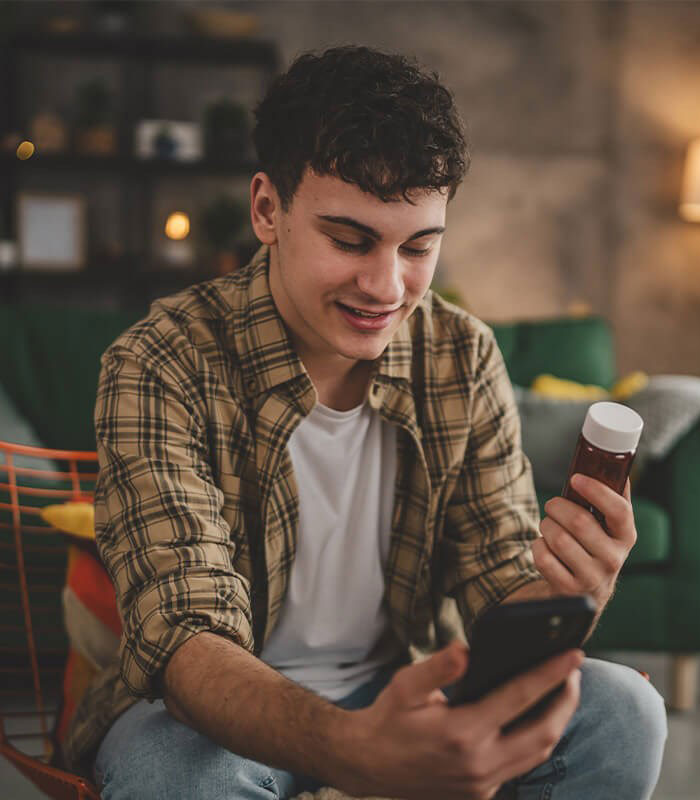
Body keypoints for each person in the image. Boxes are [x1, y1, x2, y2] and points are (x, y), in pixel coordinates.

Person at [63, 46, 667, 799]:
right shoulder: (161, 362)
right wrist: (356, 751)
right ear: (267, 210)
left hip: (404, 691)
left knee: (625, 711)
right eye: (349, 241)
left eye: (419, 247)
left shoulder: (461, 355)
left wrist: (574, 591)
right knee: (167, 777)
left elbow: (499, 584)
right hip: (208, 723)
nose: (386, 287)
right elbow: (189, 642)